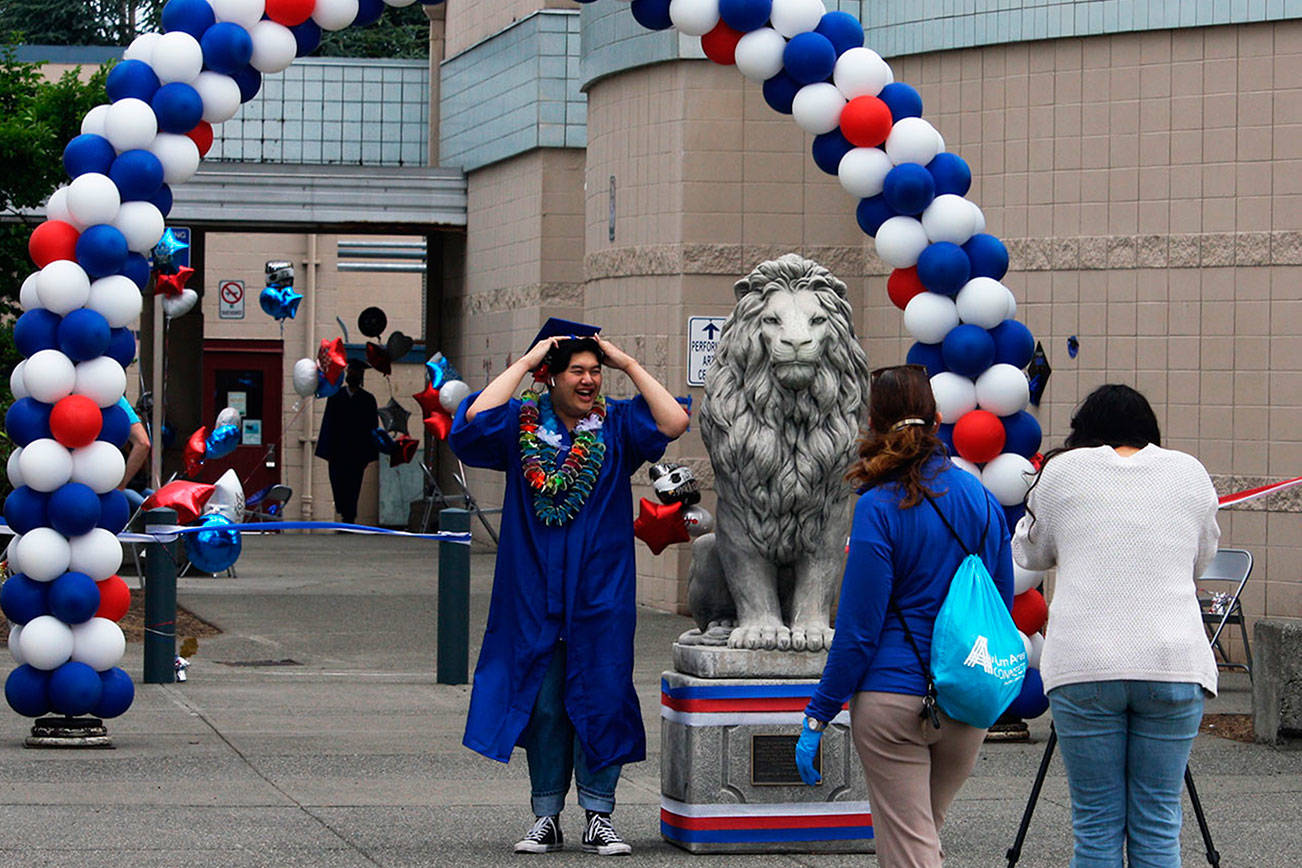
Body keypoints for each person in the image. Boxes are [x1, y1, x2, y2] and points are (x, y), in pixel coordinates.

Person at [449, 321, 688, 856]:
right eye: (577, 371)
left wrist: (626, 363)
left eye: (594, 372)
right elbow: (470, 425)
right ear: (550, 378)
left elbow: (673, 420)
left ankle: (599, 814)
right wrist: (527, 358)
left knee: (601, 696)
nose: (589, 380)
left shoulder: (619, 425)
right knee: (545, 705)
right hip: (532, 590)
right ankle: (547, 815)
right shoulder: (520, 426)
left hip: (600, 592)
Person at [796, 364, 1014, 868]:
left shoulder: (878, 507)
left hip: (892, 699)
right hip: (964, 696)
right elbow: (998, 603)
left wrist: (818, 713)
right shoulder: (981, 498)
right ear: (939, 421)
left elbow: (858, 629)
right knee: (920, 838)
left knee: (909, 850)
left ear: (872, 423)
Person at [1012, 384, 1220, 868]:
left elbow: (1032, 554)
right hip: (1174, 661)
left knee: (1097, 825)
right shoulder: (1188, 472)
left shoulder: (1062, 471)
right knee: (1157, 821)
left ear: (1086, 431)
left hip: (1085, 664)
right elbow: (1200, 561)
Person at [314, 358, 379, 524]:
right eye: (351, 371)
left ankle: (349, 517)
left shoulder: (367, 400)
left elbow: (372, 427)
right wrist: (326, 450)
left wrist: (369, 454)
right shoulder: (336, 397)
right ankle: (344, 511)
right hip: (337, 451)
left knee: (353, 485)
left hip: (356, 453)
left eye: (357, 372)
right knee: (338, 484)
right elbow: (328, 422)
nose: (353, 374)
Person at [117, 396, 151, 511]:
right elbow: (143, 443)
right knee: (146, 508)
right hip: (126, 489)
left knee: (159, 500)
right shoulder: (120, 452)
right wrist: (122, 485)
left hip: (138, 488)